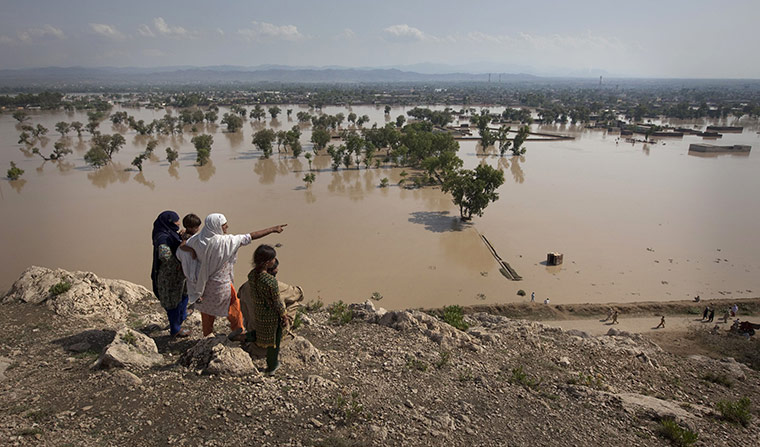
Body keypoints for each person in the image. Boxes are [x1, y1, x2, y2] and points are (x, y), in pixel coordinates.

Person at [186, 213, 286, 337]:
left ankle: (208, 334)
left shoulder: (195, 240)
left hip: (203, 284)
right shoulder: (225, 241)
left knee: (206, 311)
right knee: (234, 306)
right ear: (216, 226)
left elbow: (184, 250)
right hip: (221, 284)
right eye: (224, 226)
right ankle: (239, 331)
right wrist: (272, 229)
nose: (227, 227)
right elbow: (251, 236)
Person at [248, 245, 291, 375]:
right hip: (272, 317)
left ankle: (244, 337)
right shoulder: (270, 281)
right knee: (274, 343)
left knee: (260, 332)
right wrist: (284, 316)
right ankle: (272, 367)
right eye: (273, 258)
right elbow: (277, 302)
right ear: (267, 262)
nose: (274, 260)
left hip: (259, 311)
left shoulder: (251, 275)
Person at [238, 258, 304, 342]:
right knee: (293, 302)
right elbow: (299, 293)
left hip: (254, 329)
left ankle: (250, 331)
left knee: (244, 300)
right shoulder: (278, 287)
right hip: (271, 335)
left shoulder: (246, 286)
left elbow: (239, 294)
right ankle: (285, 331)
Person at [151, 211, 190, 337]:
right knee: (173, 302)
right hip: (170, 275)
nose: (178, 223)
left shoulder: (167, 232)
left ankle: (182, 315)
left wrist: (180, 238)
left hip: (179, 274)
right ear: (169, 223)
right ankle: (175, 329)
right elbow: (165, 255)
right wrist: (177, 263)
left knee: (184, 293)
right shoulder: (163, 237)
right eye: (176, 221)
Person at [176, 213, 202, 309]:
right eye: (196, 227)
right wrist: (192, 251)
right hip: (188, 259)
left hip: (184, 259)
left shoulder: (185, 233)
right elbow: (182, 246)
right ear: (191, 228)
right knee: (192, 277)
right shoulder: (187, 236)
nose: (198, 229)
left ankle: (196, 296)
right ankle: (197, 297)